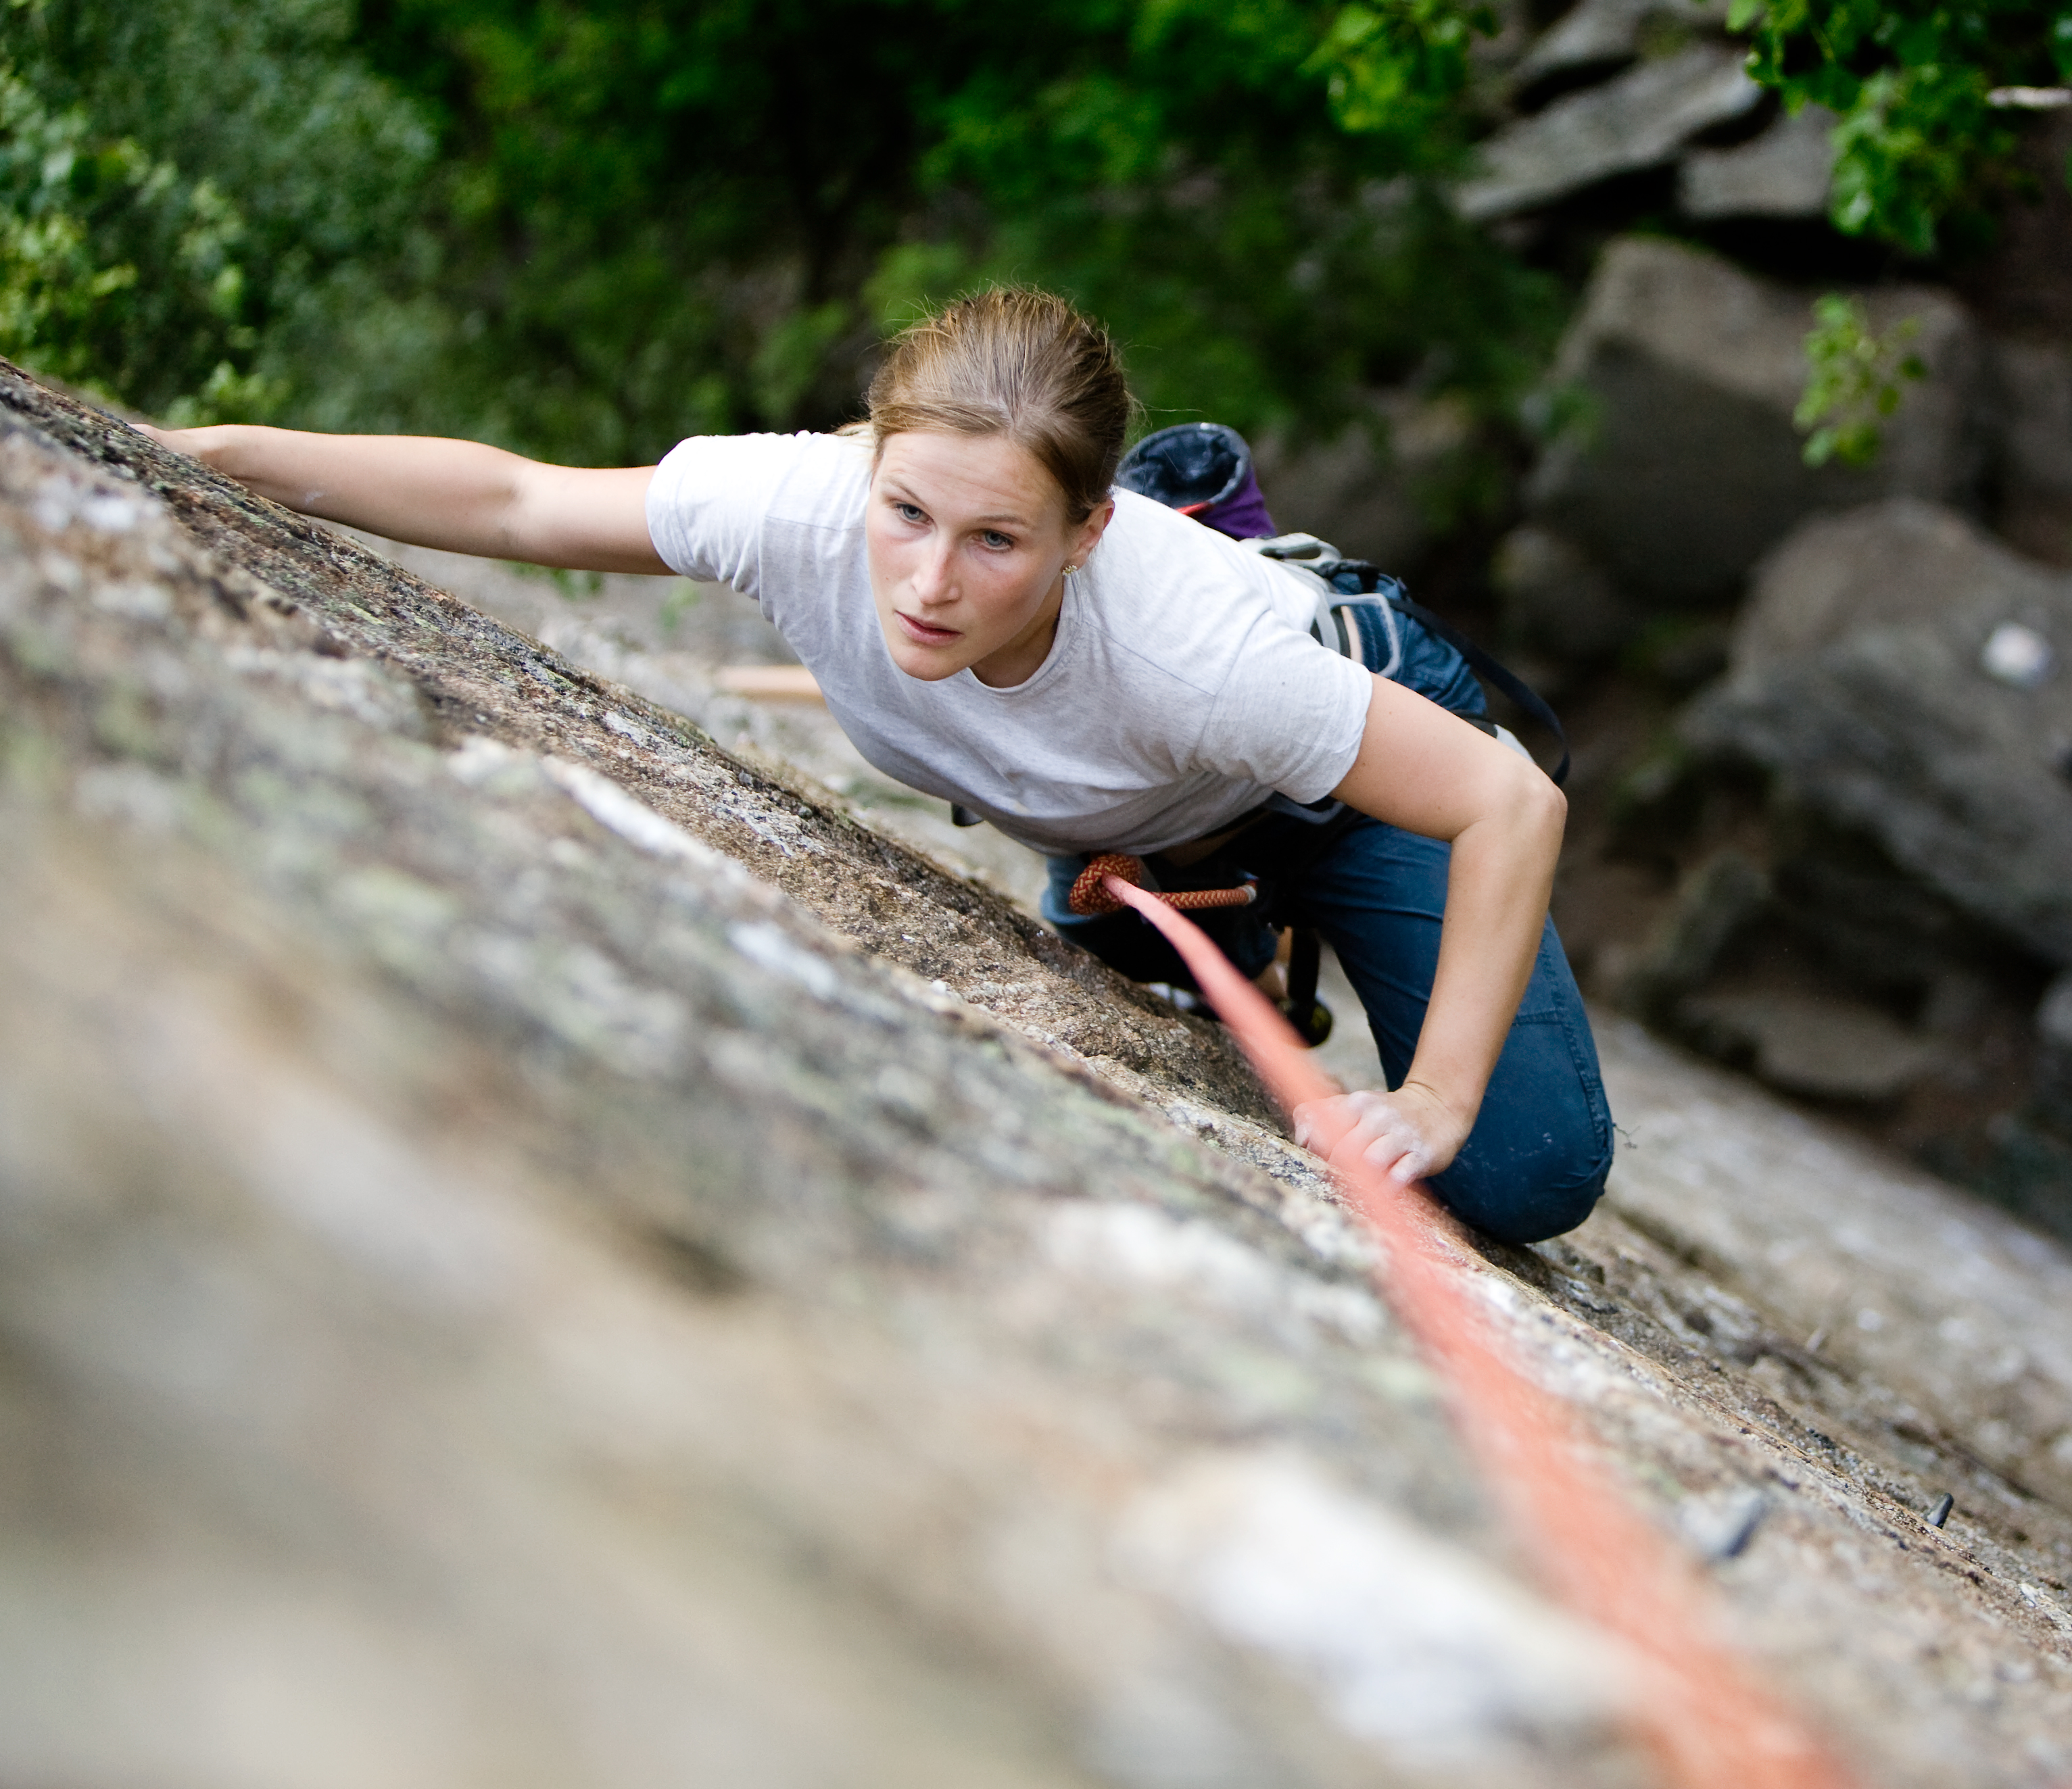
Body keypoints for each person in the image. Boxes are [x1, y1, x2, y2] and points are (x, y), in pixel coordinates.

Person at [143, 287, 1614, 1244]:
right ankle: (1167, 869)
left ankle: (1205, 613)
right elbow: (520, 497)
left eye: (996, 541)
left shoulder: (1193, 656)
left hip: (1328, 758)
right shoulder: (795, 503)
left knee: (1519, 1171)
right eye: (908, 512)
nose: (926, 581)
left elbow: (1508, 799)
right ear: (869, 467)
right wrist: (201, 450)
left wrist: (1427, 1101)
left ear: (1084, 535)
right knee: (1148, 970)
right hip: (1146, 808)